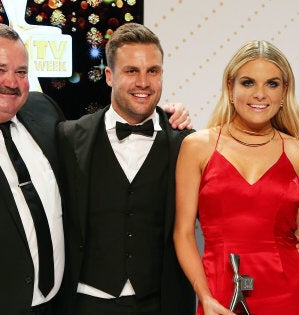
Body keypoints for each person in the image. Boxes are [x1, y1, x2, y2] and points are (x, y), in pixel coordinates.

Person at [0, 23, 190, 315]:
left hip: (54, 306)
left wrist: (162, 115)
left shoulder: (42, 113)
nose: (11, 83)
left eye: (21, 71)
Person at [57, 23, 195, 314]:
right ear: (109, 76)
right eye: (131, 71)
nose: (143, 82)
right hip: (85, 303)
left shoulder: (187, 143)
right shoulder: (67, 138)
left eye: (153, 71)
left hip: (161, 304)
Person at [173, 40, 299, 315]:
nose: (260, 94)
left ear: (285, 91)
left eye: (272, 84)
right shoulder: (197, 147)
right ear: (230, 87)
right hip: (219, 293)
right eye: (248, 82)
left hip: (286, 294)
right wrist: (205, 297)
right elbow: (183, 234)